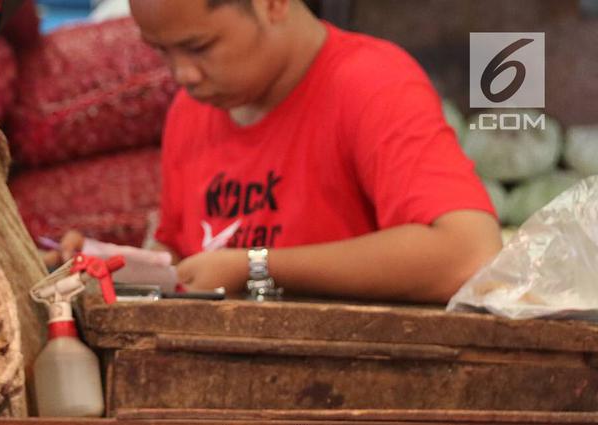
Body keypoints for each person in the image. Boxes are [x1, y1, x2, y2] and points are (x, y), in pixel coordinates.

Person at [54, 0, 502, 303]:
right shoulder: (189, 113)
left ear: (272, 3)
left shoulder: (371, 85)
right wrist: (116, 264)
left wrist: (255, 266)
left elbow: (468, 255)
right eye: (162, 53)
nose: (182, 74)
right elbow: (183, 253)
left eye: (198, 47)